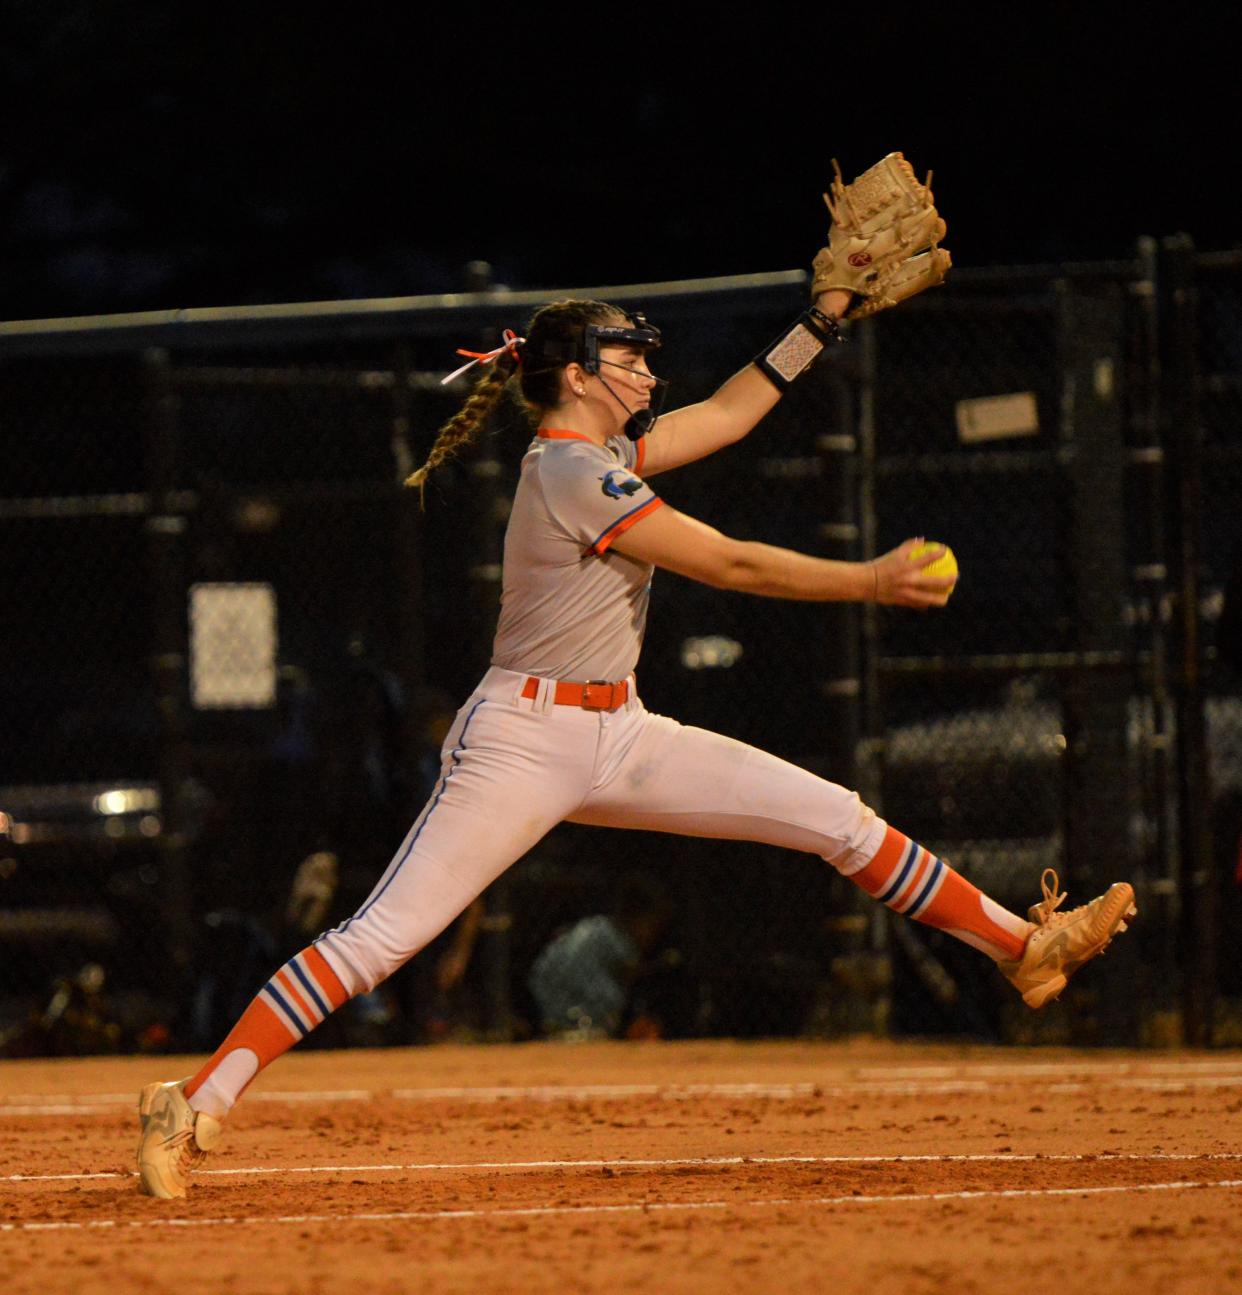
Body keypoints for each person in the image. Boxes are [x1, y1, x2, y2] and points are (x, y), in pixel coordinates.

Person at [135, 162, 1137, 1198]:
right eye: (627, 356)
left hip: (620, 730)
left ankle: (1023, 944)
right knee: (382, 937)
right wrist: (869, 579)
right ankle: (197, 1095)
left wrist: (824, 316)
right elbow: (733, 563)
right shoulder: (572, 470)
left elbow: (737, 410)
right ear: (576, 374)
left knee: (839, 817)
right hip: (519, 741)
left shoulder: (609, 453)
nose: (648, 372)